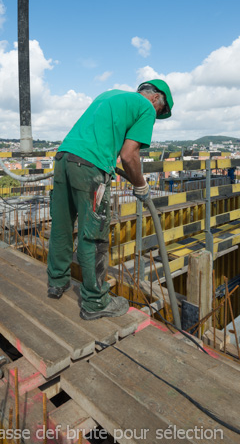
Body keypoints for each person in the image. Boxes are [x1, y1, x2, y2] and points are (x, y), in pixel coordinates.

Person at [47, 80, 173, 320]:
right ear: (156, 98)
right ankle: (95, 301)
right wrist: (141, 185)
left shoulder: (111, 95)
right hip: (89, 167)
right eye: (159, 112)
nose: (155, 117)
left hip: (63, 158)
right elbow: (129, 155)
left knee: (61, 227)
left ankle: (57, 282)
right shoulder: (146, 108)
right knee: (93, 235)